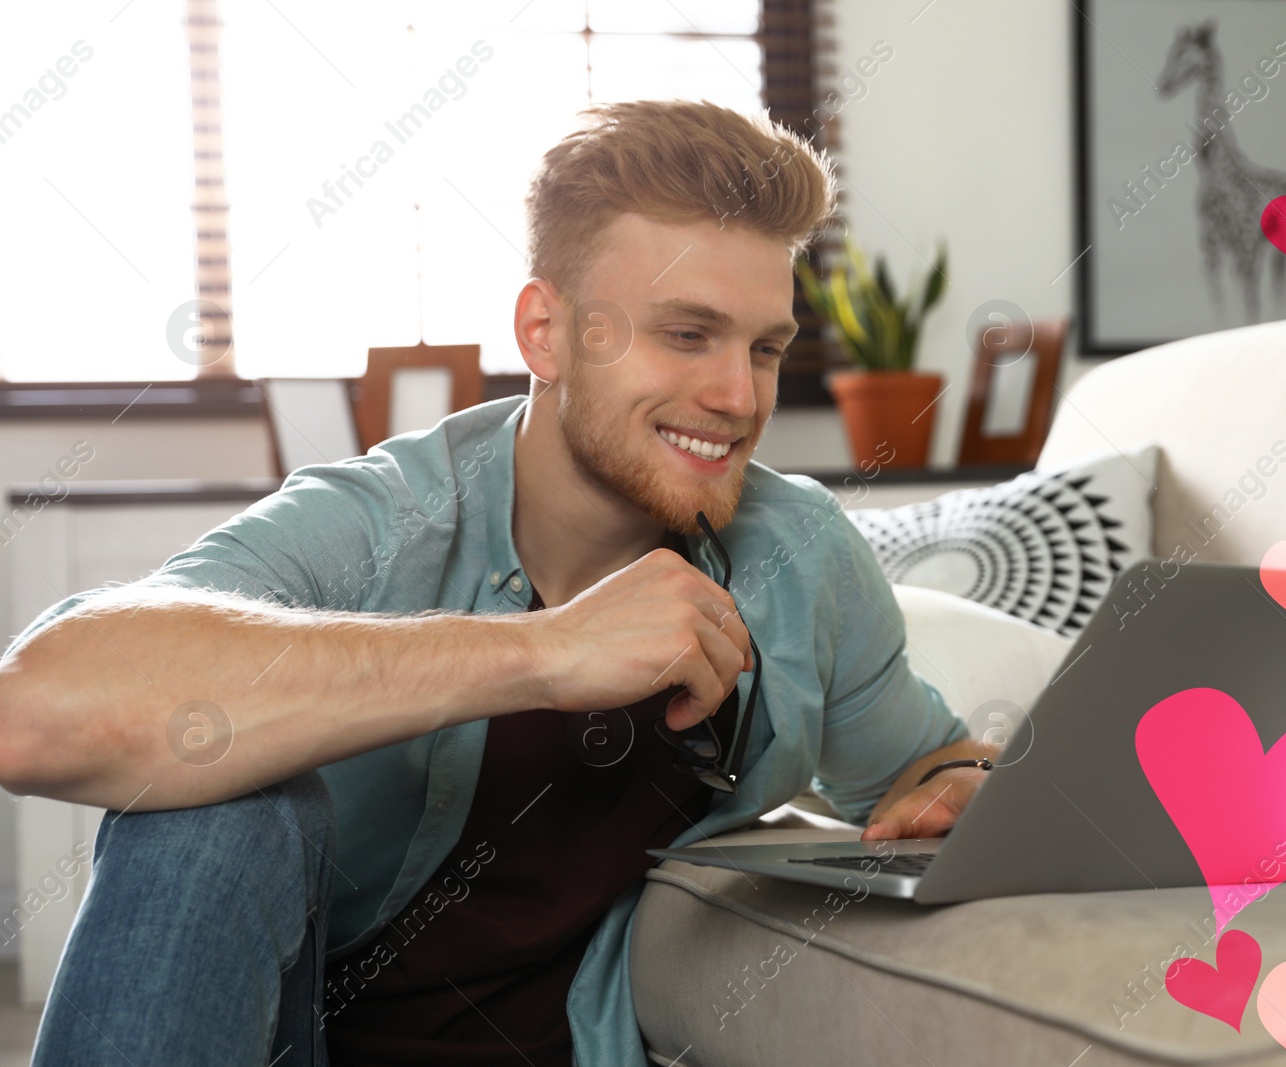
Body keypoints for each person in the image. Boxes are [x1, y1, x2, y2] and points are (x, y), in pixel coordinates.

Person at [0, 99, 995, 1066]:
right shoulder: (380, 522)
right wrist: (546, 652)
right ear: (544, 333)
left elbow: (926, 764)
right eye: (686, 335)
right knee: (220, 799)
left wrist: (957, 788)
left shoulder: (798, 553)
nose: (738, 397)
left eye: (765, 347)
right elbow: (35, 710)